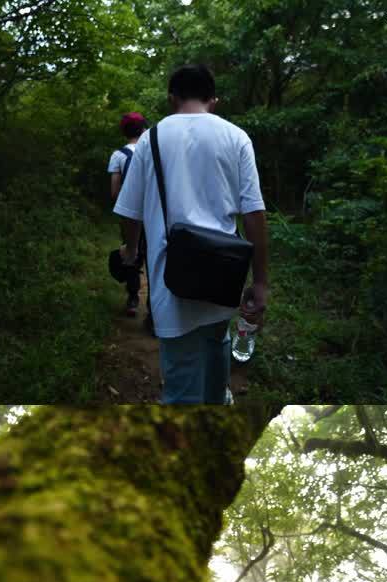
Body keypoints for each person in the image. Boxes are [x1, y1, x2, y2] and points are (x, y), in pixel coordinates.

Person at [112, 64, 270, 404]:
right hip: (224, 277)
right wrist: (260, 282)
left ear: (172, 98)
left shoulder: (151, 139)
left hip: (174, 280)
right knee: (217, 344)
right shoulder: (237, 137)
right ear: (214, 99)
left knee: (182, 386)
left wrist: (131, 249)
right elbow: (255, 214)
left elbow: (129, 213)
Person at [108, 112, 152, 325]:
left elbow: (115, 192)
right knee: (154, 256)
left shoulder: (118, 155)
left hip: (130, 214)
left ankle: (133, 298)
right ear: (144, 128)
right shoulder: (154, 151)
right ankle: (155, 306)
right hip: (153, 215)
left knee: (131, 253)